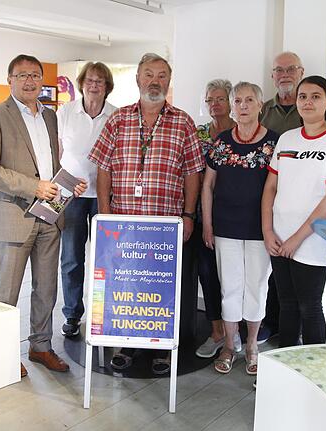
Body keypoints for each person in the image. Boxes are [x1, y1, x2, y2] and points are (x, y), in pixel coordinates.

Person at [88, 53, 204, 375]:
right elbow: (103, 169)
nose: (155, 81)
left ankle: (162, 348)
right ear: (138, 79)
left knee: (162, 288)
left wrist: (189, 215)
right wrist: (105, 215)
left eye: (162, 75)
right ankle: (127, 343)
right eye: (149, 74)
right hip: (124, 225)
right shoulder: (118, 119)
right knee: (126, 285)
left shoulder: (183, 122)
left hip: (164, 227)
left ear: (169, 81)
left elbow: (193, 172)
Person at [0, 54, 87, 377]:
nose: (30, 81)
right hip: (14, 217)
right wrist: (32, 187)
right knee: (6, 293)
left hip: (50, 215)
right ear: (9, 79)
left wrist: (68, 184)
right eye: (22, 75)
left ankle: (41, 347)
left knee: (47, 288)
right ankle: (1, 354)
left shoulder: (50, 117)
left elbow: (49, 166)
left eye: (35, 75)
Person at [261, 75, 326, 349]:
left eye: (315, 96)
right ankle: (288, 370)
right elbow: (270, 188)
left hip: (313, 240)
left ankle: (314, 378)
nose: (307, 101)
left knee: (309, 306)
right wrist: (268, 231)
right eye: (303, 96)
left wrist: (297, 239)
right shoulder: (288, 139)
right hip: (279, 237)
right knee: (286, 305)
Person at [202, 82, 277, 375]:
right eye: (238, 101)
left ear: (260, 106)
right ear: (232, 108)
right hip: (225, 228)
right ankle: (229, 346)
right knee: (230, 289)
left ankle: (252, 346)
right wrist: (207, 224)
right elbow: (208, 185)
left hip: (261, 230)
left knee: (256, 288)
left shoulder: (275, 143)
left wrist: (273, 228)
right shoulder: (221, 142)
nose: (243, 106)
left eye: (249, 101)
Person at [57, 62, 117, 337]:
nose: (94, 85)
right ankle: (72, 314)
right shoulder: (65, 112)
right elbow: (54, 154)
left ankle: (105, 313)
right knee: (71, 258)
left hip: (105, 196)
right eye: (90, 80)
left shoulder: (116, 116)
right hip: (72, 197)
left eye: (100, 81)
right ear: (81, 83)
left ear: (107, 87)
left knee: (107, 259)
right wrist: (66, 183)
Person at [257, 51, 306, 343]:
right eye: (279, 70)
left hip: (302, 202)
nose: (285, 74)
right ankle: (271, 321)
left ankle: (293, 328)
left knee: (297, 266)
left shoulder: (310, 105)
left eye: (290, 69)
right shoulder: (264, 110)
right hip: (268, 196)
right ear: (273, 75)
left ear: (300, 72)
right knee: (271, 262)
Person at [193, 79, 242, 358]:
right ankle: (216, 332)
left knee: (234, 278)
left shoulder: (242, 133)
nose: (215, 105)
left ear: (231, 102)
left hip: (236, 218)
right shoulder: (199, 133)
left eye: (221, 99)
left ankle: (234, 334)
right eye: (210, 100)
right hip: (203, 215)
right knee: (208, 274)